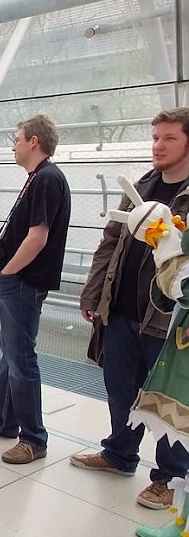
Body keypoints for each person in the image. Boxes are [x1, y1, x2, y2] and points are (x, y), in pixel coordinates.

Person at [73, 107, 189, 509]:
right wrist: (93, 294)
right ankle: (119, 454)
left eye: (169, 138)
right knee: (120, 389)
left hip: (169, 322)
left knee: (165, 401)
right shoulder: (141, 184)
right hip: (122, 310)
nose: (158, 146)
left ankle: (170, 477)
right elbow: (110, 242)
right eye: (155, 137)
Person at [0, 114, 71, 464]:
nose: (13, 144)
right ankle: (5, 420)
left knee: (22, 358)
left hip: (24, 282)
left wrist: (8, 274)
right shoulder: (39, 178)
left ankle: (34, 439)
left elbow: (37, 237)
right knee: (10, 353)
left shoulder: (46, 180)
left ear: (34, 141)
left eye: (17, 137)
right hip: (21, 281)